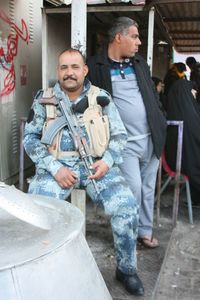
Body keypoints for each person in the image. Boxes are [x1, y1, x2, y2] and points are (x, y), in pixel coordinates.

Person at [23, 48, 144, 295]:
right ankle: (44, 271)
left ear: (84, 70)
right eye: (64, 68)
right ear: (58, 71)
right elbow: (30, 139)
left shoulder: (102, 98)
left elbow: (120, 136)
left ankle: (126, 269)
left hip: (96, 166)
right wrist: (55, 168)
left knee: (127, 207)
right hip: (56, 169)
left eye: (75, 67)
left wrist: (107, 161)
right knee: (38, 214)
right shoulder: (43, 98)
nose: (69, 73)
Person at [87, 17, 167, 249]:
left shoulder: (140, 63)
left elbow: (152, 95)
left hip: (152, 138)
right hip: (124, 144)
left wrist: (159, 118)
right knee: (133, 189)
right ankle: (127, 236)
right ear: (118, 37)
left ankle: (144, 231)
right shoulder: (95, 66)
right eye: (134, 36)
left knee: (148, 188)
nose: (139, 42)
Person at [164, 62, 200, 207]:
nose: (195, 93)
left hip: (185, 157)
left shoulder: (183, 112)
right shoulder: (186, 116)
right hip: (182, 161)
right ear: (185, 93)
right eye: (193, 90)